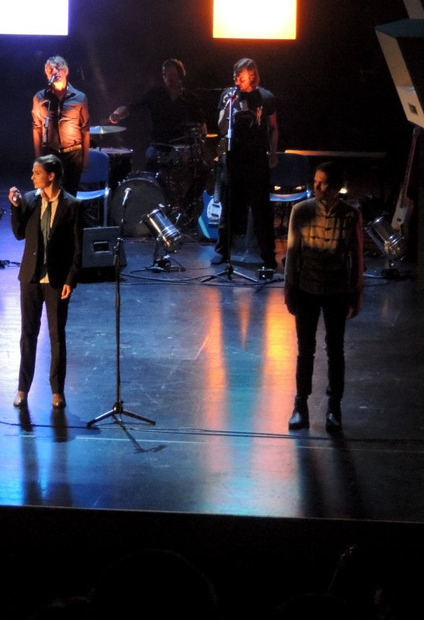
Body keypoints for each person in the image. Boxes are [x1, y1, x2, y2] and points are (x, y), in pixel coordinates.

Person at [284, 161, 364, 433]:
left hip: (336, 290)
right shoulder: (301, 211)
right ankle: (300, 405)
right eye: (316, 181)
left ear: (336, 187)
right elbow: (292, 253)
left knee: (335, 350)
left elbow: (356, 257)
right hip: (306, 289)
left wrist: (356, 292)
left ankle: (334, 407)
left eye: (323, 183)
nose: (317, 187)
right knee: (305, 350)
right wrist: (289, 289)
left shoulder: (350, 215)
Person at [8, 154, 83, 409]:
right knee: (28, 334)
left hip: (56, 280)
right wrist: (15, 207)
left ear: (51, 176)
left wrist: (71, 280)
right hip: (30, 278)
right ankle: (22, 389)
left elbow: (77, 248)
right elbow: (19, 234)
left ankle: (57, 391)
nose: (32, 177)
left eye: (37, 173)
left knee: (57, 336)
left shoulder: (72, 205)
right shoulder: (29, 200)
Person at [210, 56, 280, 271]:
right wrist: (228, 107)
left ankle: (268, 256)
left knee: (261, 209)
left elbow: (273, 127)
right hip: (234, 157)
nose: (236, 80)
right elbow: (221, 127)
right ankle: (223, 250)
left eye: (240, 76)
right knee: (230, 206)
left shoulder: (265, 97)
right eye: (235, 76)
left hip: (257, 158)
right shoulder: (228, 95)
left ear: (252, 76)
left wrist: (273, 152)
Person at [109, 58, 207, 172]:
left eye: (171, 74)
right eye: (165, 74)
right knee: (152, 160)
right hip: (158, 145)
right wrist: (117, 114)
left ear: (180, 75)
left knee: (202, 170)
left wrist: (198, 149)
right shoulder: (155, 94)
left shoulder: (190, 99)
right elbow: (132, 106)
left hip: (182, 147)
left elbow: (202, 126)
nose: (168, 78)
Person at [33, 55, 90, 196]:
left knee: (70, 196)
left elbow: (85, 129)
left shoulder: (80, 97)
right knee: (50, 195)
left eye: (58, 69)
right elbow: (37, 128)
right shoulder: (40, 97)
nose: (54, 72)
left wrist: (85, 160)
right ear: (47, 75)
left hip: (73, 154)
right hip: (50, 153)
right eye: (50, 70)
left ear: (66, 71)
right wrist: (38, 158)